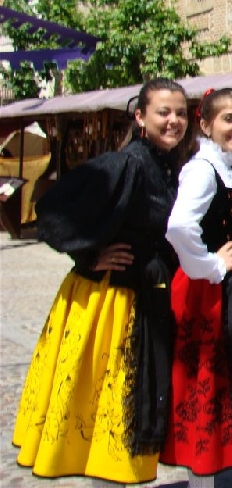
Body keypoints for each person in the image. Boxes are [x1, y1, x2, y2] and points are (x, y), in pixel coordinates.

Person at [13, 78, 189, 484]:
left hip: (147, 300)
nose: (174, 121)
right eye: (164, 112)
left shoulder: (171, 166)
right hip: (112, 304)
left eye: (180, 113)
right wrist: (91, 256)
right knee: (109, 410)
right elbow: (53, 208)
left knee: (132, 408)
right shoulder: (125, 163)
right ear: (141, 117)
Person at [160, 88, 232, 487]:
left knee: (226, 391)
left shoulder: (226, 166)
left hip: (229, 292)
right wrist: (211, 265)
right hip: (207, 296)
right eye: (228, 118)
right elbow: (178, 227)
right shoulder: (203, 169)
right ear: (206, 124)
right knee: (205, 392)